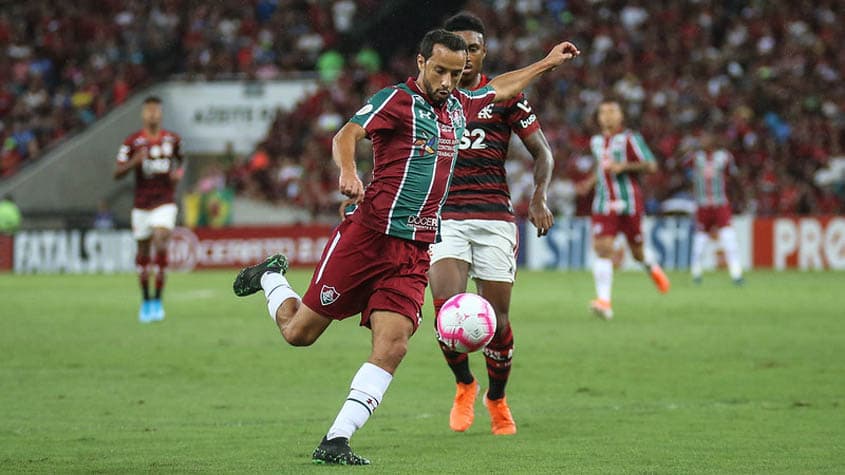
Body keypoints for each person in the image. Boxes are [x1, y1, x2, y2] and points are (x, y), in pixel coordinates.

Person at [232, 29, 579, 465]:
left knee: (393, 345)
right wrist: (349, 173)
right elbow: (346, 134)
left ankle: (336, 439)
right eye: (440, 71)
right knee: (299, 333)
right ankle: (270, 277)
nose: (448, 82)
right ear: (420, 63)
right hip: (368, 239)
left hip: (414, 252)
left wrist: (547, 62)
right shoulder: (396, 100)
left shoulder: (458, 107)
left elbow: (499, 87)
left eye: (456, 73)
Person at [427, 12, 555, 436]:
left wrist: (538, 197)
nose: (465, 57)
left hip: (494, 218)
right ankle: (464, 384)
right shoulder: (430, 98)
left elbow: (542, 153)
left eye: (474, 49)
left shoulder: (505, 96)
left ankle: (497, 398)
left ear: (483, 53)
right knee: (447, 312)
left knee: (498, 321)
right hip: (445, 216)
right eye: (458, 49)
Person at [578, 98, 670, 320]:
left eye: (612, 111)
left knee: (637, 252)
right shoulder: (596, 142)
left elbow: (652, 165)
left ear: (620, 116)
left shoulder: (630, 138)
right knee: (602, 248)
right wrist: (589, 183)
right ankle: (604, 301)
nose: (607, 116)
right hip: (603, 202)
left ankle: (652, 267)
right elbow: (602, 168)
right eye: (603, 112)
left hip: (629, 203)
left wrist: (625, 167)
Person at [114, 96, 184, 323]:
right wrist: (134, 162)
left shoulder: (173, 140)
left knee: (161, 238)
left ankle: (158, 298)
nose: (153, 114)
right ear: (143, 114)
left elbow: (182, 162)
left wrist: (178, 174)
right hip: (141, 205)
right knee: (143, 252)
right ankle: (146, 300)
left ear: (161, 113)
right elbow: (116, 173)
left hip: (164, 201)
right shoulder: (132, 142)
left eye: (156, 110)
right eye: (149, 110)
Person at [682, 130, 744, 285]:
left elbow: (734, 177)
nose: (703, 141)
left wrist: (736, 198)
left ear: (714, 141)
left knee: (729, 238)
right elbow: (679, 162)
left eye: (706, 138)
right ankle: (696, 273)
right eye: (702, 138)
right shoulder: (695, 157)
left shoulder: (724, 157)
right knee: (700, 241)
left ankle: (736, 274)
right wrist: (690, 147)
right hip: (703, 205)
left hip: (720, 203)